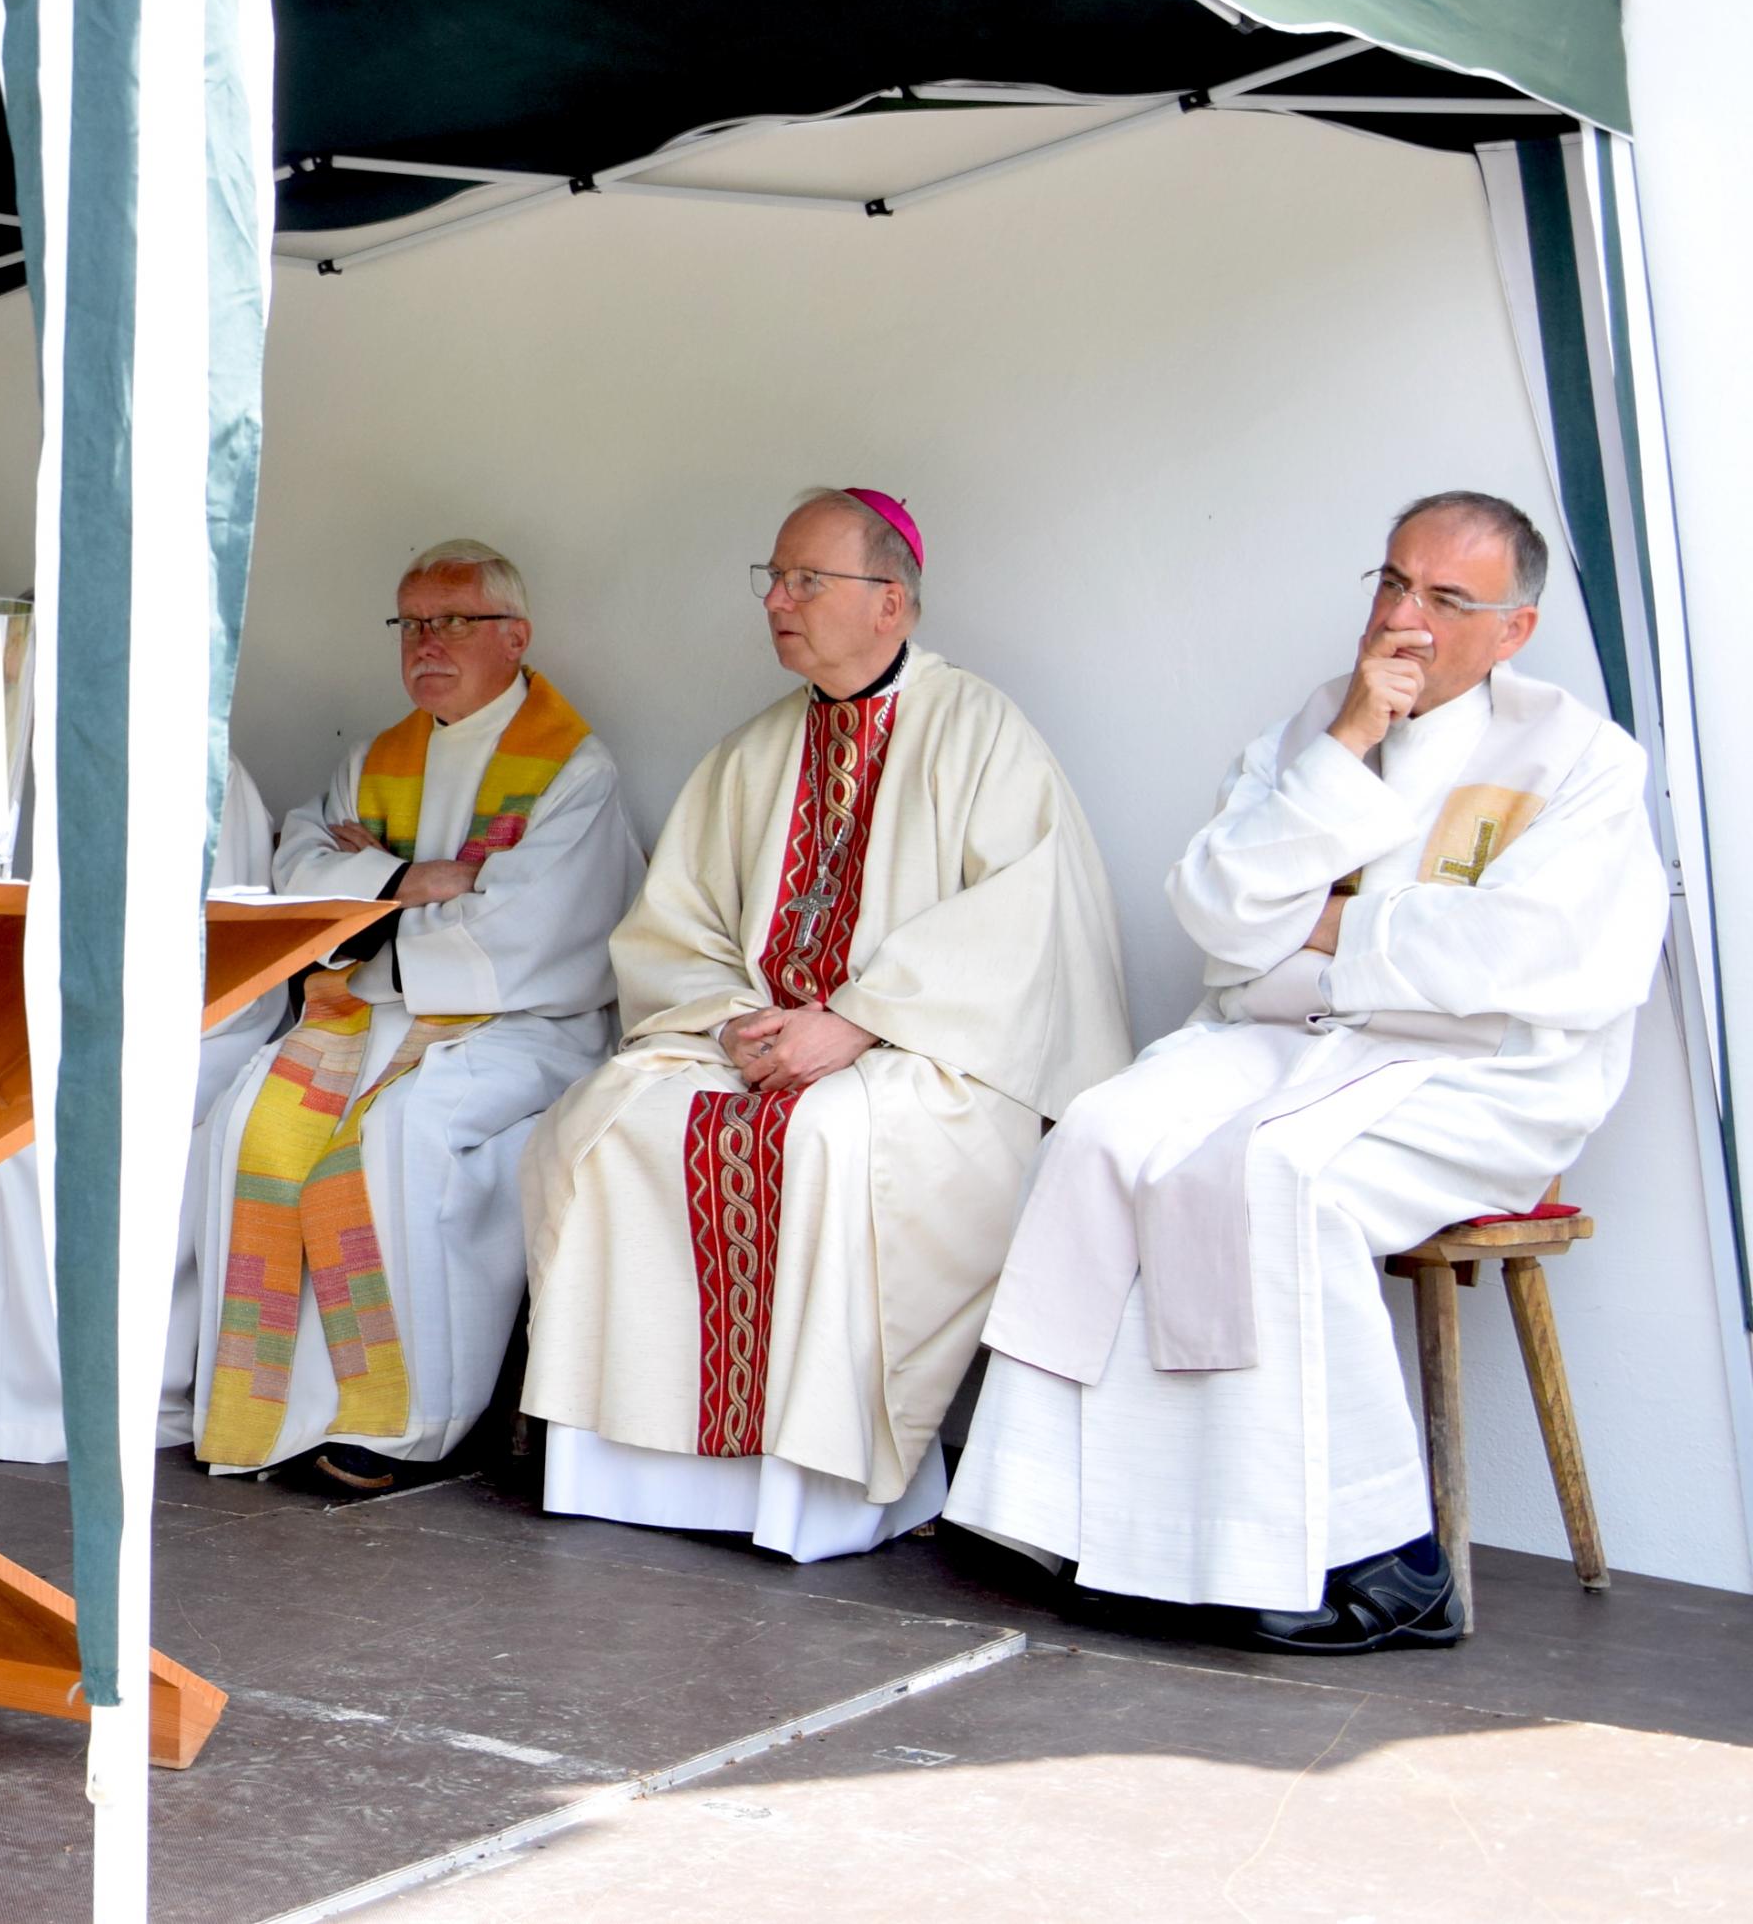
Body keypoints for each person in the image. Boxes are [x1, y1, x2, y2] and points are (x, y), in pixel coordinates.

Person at [954, 494, 1666, 1650]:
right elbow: (1216, 911)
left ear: (1515, 630)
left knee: (1272, 1178)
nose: (1404, 618)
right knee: (1098, 1132)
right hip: (1288, 1037)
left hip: (1475, 1074)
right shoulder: (1313, 728)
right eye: (1392, 583)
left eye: (1446, 598)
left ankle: (1382, 1561)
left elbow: (1526, 953)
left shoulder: (1579, 758)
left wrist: (1325, 928)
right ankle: (1072, 1520)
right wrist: (1345, 750)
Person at [521, 489, 1129, 1559]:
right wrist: (732, 1023)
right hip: (756, 1043)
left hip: (927, 1056)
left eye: (807, 580)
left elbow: (1027, 925)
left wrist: (856, 1022)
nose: (777, 601)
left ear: (890, 600)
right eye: (773, 578)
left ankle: (814, 1489)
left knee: (829, 1139)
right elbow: (676, 925)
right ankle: (623, 1467)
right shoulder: (753, 752)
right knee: (602, 1125)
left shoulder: (978, 731)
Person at [189, 541, 645, 1485]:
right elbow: (298, 867)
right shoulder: (376, 759)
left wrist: (373, 898)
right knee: (248, 1123)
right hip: (378, 1015)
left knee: (395, 1136)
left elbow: (525, 929)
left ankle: (401, 1422)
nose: (427, 642)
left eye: (454, 622)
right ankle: (270, 1418)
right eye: (412, 623)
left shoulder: (572, 770)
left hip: (522, 1028)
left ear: (515, 637)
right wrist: (414, 879)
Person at [0, 758, 285, 1465]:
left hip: (185, 1041)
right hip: (61, 1029)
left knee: (10, 1147)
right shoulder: (59, 755)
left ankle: (46, 1408)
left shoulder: (206, 767)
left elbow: (227, 957)